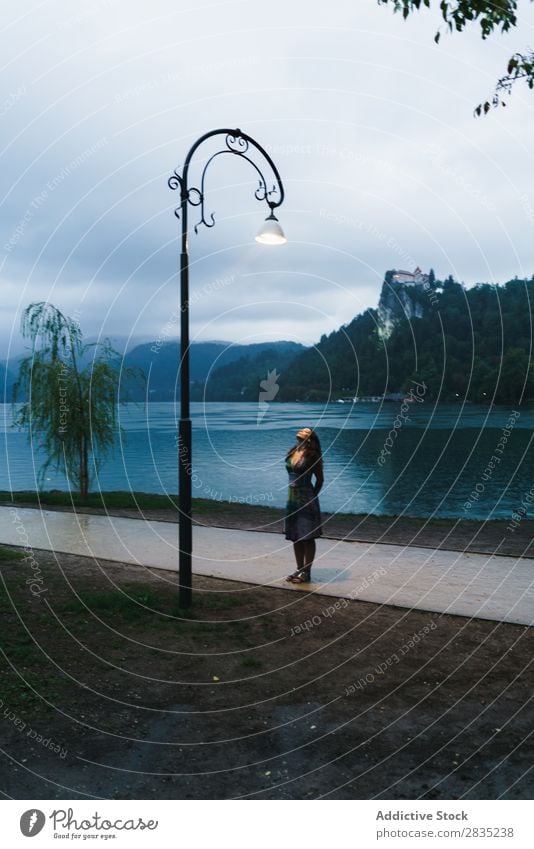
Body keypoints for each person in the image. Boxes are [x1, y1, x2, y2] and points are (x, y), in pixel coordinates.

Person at [284, 427, 324, 584]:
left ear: (309, 440)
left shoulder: (313, 456)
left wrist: (312, 496)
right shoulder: (292, 452)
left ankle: (307, 571)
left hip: (306, 497)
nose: (299, 440)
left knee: (307, 536)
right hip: (292, 498)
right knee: (295, 536)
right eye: (298, 438)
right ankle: (299, 568)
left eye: (302, 438)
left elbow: (320, 480)